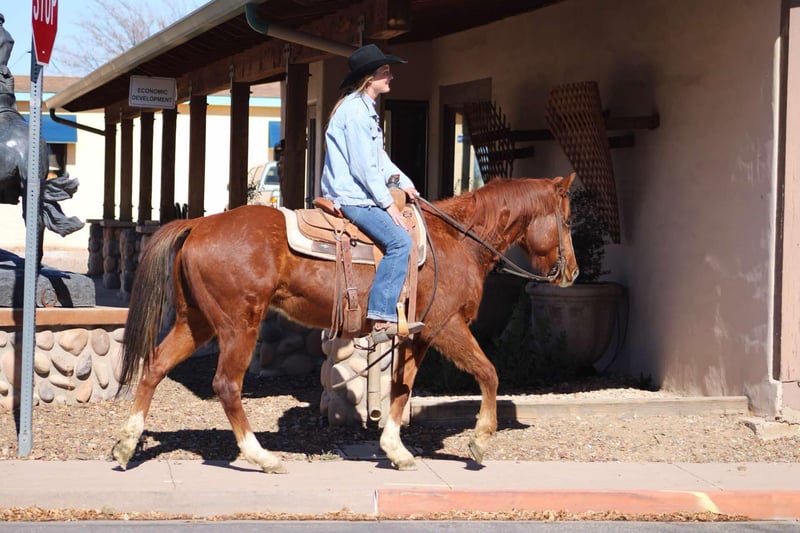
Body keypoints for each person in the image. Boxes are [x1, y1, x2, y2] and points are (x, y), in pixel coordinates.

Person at [321, 44, 424, 343]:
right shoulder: (356, 112)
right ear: (370, 78)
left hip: (362, 194)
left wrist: (404, 183)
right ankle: (381, 316)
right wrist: (388, 204)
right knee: (400, 241)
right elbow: (364, 168)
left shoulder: (365, 109)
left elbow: (379, 160)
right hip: (354, 198)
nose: (391, 77)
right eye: (385, 72)